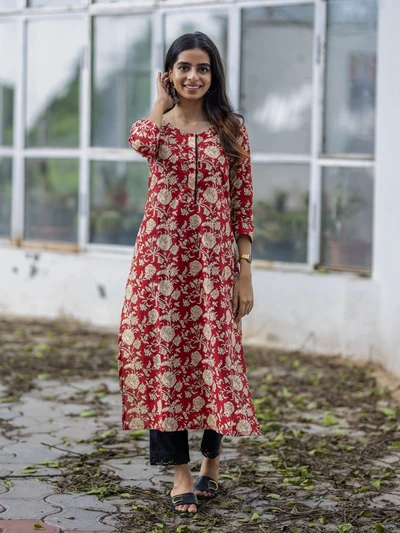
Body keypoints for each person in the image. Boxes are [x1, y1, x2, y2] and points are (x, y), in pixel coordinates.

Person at [117, 31, 261, 516]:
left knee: (216, 361)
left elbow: (243, 204)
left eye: (202, 68)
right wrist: (161, 104)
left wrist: (244, 272)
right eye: (184, 67)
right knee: (167, 363)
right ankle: (180, 474)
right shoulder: (156, 127)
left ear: (214, 74)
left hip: (215, 269)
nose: (193, 76)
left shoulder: (231, 129)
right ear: (169, 73)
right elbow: (140, 142)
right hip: (160, 268)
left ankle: (210, 465)